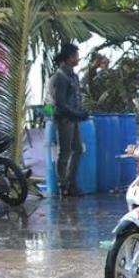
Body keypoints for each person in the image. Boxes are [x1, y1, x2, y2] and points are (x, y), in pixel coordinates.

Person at [49, 44, 88, 196]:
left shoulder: (72, 76)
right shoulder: (60, 77)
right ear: (69, 57)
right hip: (64, 119)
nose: (78, 58)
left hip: (73, 119)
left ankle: (71, 182)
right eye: (76, 56)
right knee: (64, 152)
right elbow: (60, 103)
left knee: (77, 149)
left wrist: (79, 113)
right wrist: (77, 114)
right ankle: (63, 185)